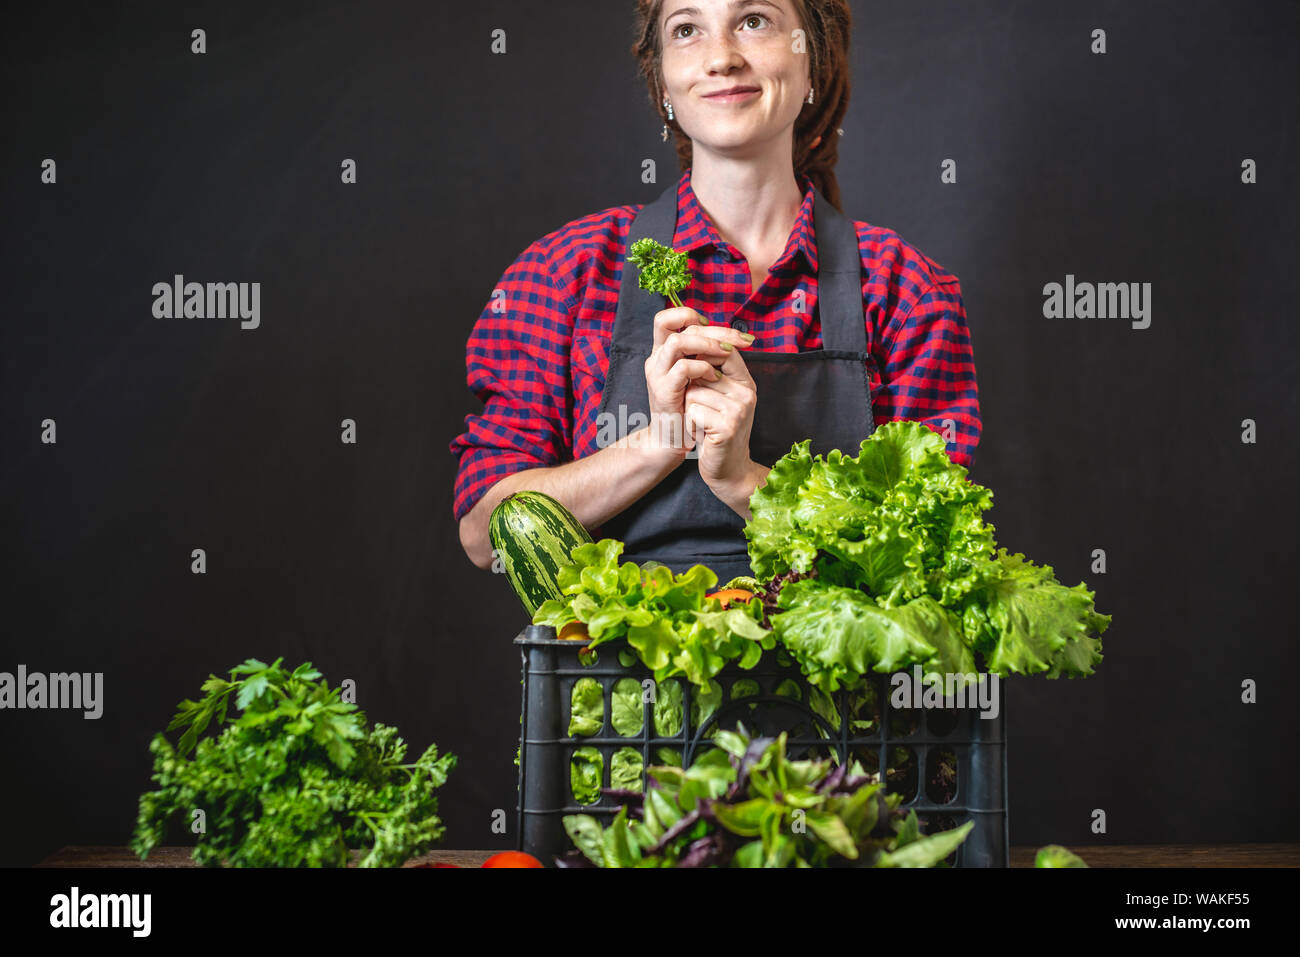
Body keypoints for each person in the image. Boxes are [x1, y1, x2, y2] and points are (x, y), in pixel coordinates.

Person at [450, 0, 980, 584]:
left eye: (754, 21)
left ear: (813, 64)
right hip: (615, 673)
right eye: (686, 29)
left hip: (829, 674)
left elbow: (936, 553)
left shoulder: (903, 290)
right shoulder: (566, 272)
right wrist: (658, 442)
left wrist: (745, 482)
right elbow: (484, 534)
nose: (722, 57)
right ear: (663, 85)